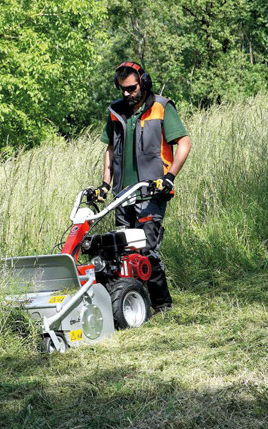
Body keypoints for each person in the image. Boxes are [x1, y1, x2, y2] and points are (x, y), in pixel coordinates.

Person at [89, 61, 191, 313]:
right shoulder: (116, 111)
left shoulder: (161, 107)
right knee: (121, 252)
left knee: (146, 249)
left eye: (131, 88)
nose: (126, 94)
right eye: (122, 89)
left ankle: (162, 305)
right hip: (122, 194)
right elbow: (111, 150)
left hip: (152, 191)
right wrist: (105, 184)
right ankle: (125, 304)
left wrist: (170, 177)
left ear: (143, 82)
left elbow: (185, 143)